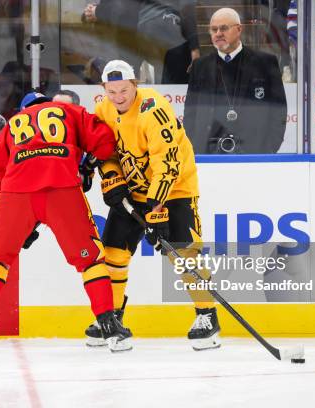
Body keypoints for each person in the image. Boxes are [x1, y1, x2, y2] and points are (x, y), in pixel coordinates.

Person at [0, 92, 133, 352]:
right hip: (62, 187)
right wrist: (87, 162)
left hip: (16, 194)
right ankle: (108, 325)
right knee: (90, 260)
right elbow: (104, 142)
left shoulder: (13, 123)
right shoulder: (70, 111)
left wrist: (22, 221)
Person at [83, 60, 221, 351]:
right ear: (103, 89)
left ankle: (207, 316)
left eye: (124, 89)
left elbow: (168, 164)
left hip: (173, 190)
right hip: (134, 191)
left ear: (135, 84)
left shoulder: (153, 110)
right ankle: (112, 318)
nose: (118, 97)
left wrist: (155, 210)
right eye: (112, 91)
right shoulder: (104, 110)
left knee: (183, 253)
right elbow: (104, 152)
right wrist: (112, 178)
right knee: (113, 253)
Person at [184, 8, 287, 154]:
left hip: (254, 154)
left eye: (224, 28)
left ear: (239, 29)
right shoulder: (200, 66)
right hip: (208, 154)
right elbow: (190, 113)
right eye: (214, 29)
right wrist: (195, 148)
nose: (218, 33)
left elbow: (279, 111)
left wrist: (268, 150)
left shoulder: (265, 63)